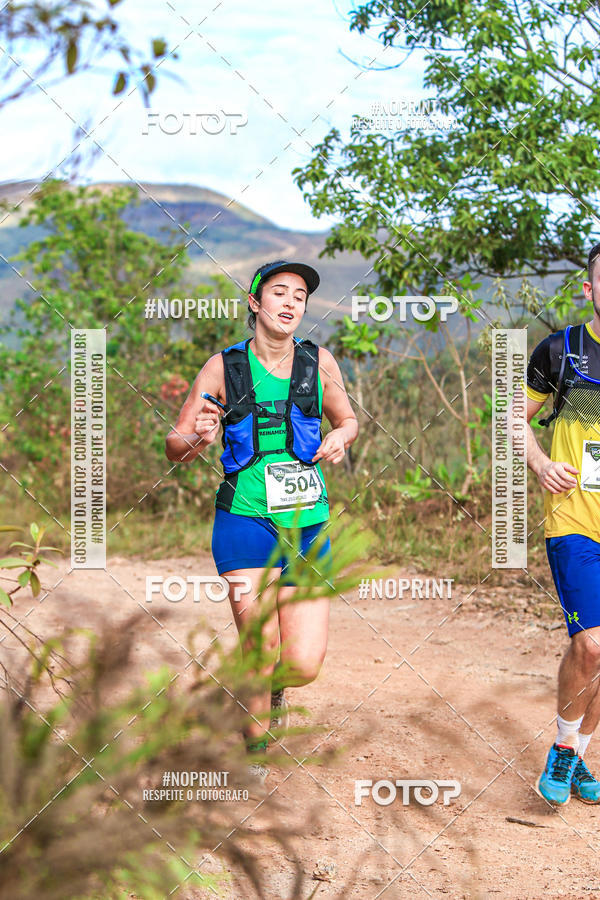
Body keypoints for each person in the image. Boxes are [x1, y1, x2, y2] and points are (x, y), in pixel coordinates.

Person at [165, 259, 358, 781]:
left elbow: (348, 418)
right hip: (244, 520)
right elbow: (175, 445)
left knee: (303, 663)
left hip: (307, 523)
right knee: (260, 644)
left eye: (300, 295)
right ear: (256, 303)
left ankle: (271, 689)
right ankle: (253, 756)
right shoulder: (222, 367)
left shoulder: (319, 363)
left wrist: (341, 437)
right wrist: (199, 437)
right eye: (279, 292)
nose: (291, 302)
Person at [525, 242, 600, 805]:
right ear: (589, 288)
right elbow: (513, 415)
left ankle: (579, 754)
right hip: (574, 516)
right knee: (591, 645)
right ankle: (564, 746)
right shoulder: (561, 350)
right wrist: (542, 462)